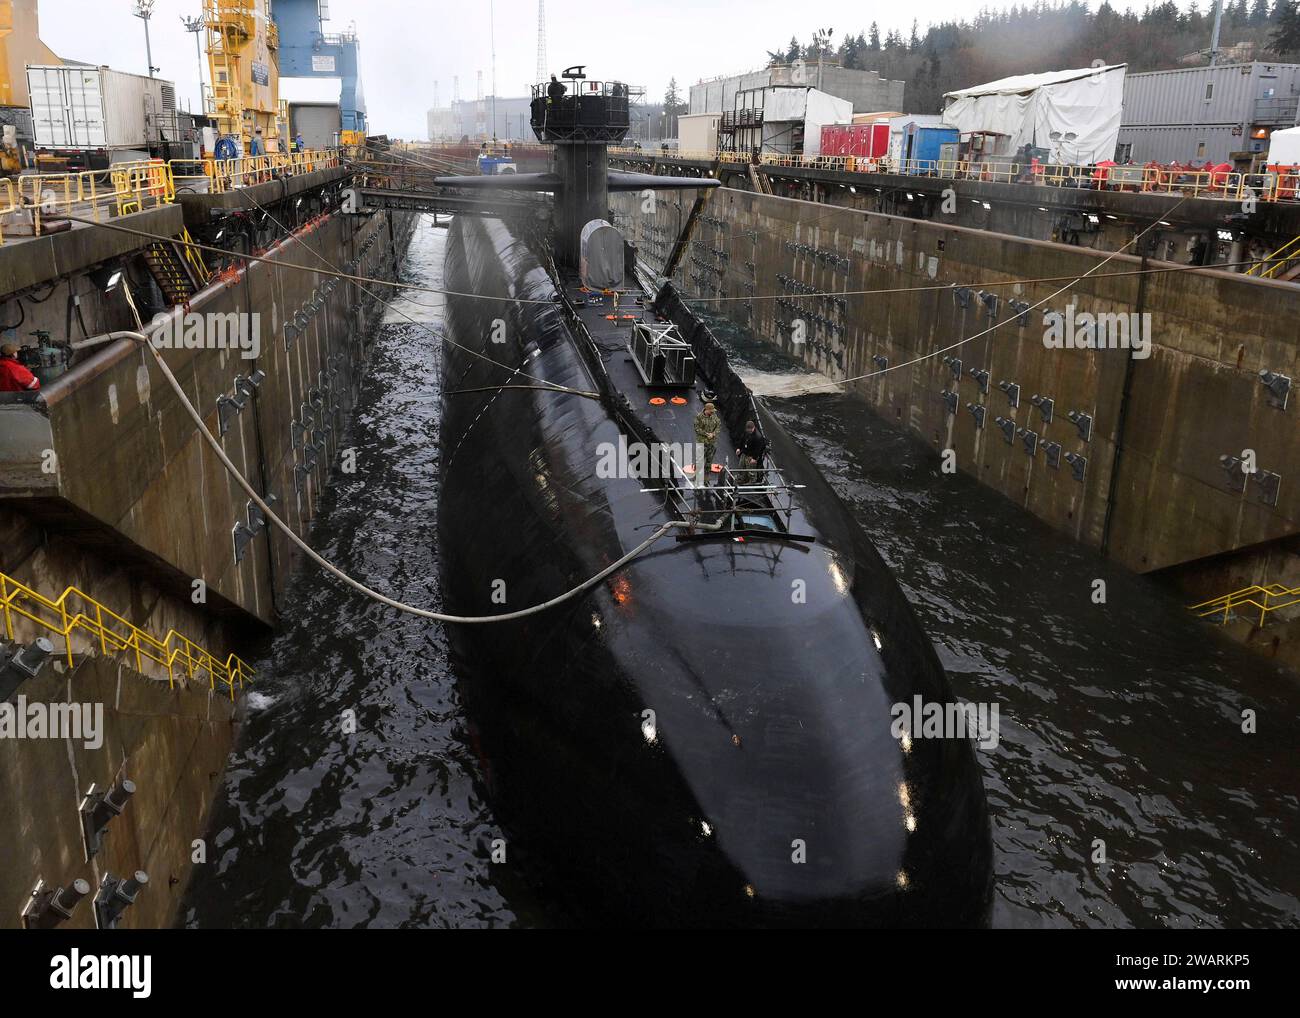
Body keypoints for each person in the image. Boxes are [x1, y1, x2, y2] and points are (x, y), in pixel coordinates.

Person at [693, 402, 721, 484]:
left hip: (712, 442)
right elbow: (697, 428)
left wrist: (713, 434)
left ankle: (706, 476)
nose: (713, 412)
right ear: (706, 410)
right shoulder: (699, 417)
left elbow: (718, 425)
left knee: (709, 460)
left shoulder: (714, 416)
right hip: (702, 442)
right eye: (711, 411)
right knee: (699, 460)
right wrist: (706, 434)